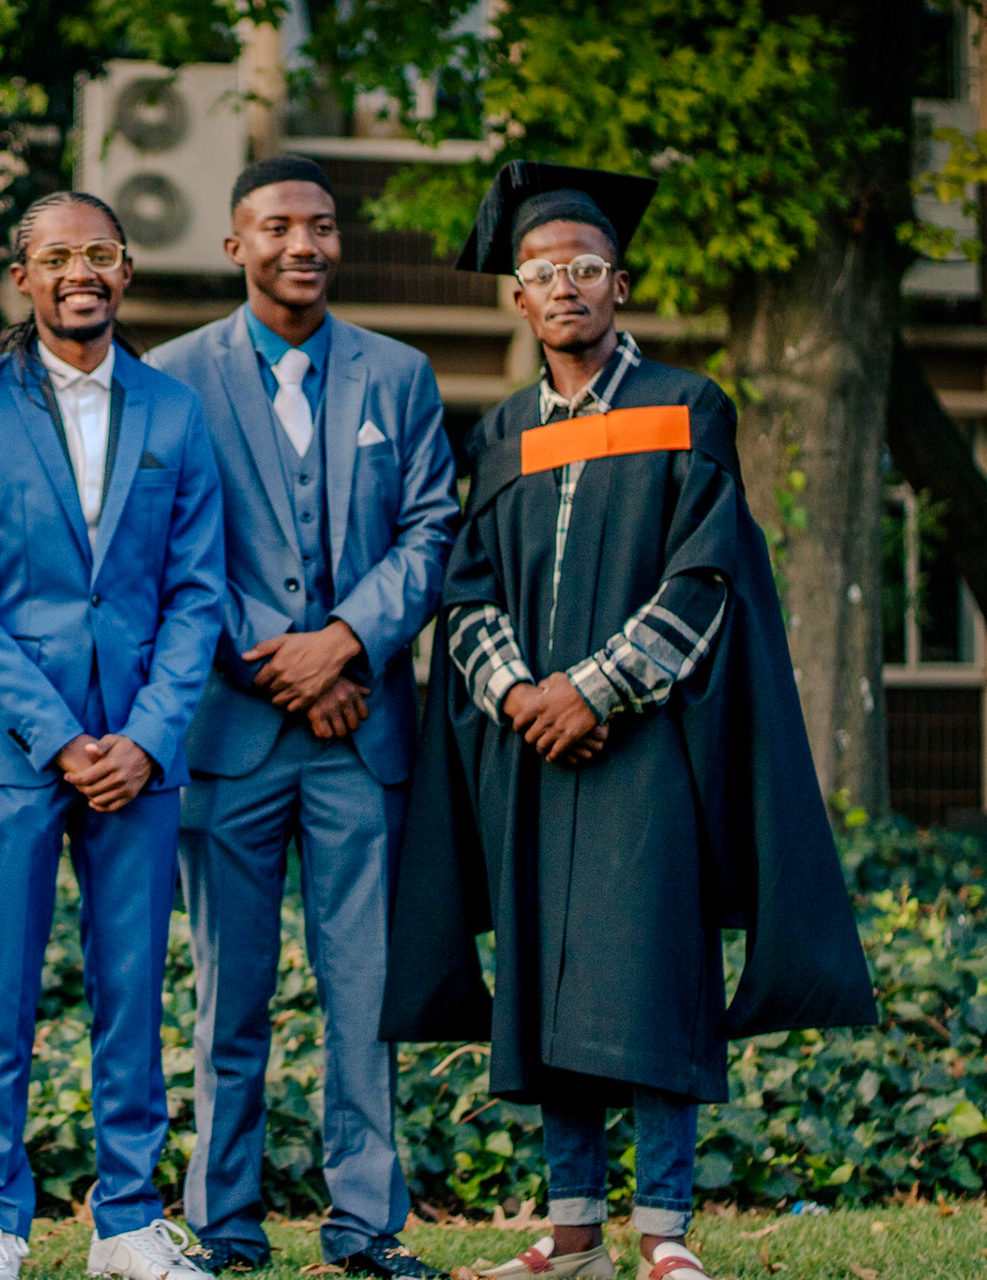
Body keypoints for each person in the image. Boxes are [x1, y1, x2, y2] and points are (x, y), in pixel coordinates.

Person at [382, 161, 878, 1280]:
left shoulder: (685, 407)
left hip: (650, 747)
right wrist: (521, 694)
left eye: (585, 269)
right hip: (533, 751)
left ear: (620, 284)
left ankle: (663, 1231)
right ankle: (572, 1237)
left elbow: (706, 579)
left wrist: (591, 690)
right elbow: (467, 591)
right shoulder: (500, 433)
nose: (563, 288)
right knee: (549, 988)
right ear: (518, 297)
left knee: (653, 977)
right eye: (541, 272)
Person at [147, 156, 459, 1280]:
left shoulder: (400, 374)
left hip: (362, 741)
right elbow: (173, 546)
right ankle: (225, 1222)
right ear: (236, 245)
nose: (303, 245)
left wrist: (346, 641)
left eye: (321, 226)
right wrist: (288, 662)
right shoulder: (173, 377)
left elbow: (432, 530)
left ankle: (367, 1223)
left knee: (365, 993)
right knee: (228, 996)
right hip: (231, 737)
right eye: (278, 227)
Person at [0, 192, 225, 1280]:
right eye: (57, 257)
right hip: (14, 750)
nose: (79, 271)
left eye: (99, 253)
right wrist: (57, 736)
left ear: (126, 271)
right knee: (1, 990)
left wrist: (145, 736)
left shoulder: (176, 412)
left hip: (141, 751)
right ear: (24, 279)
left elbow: (197, 592)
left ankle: (126, 1219)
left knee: (132, 990)